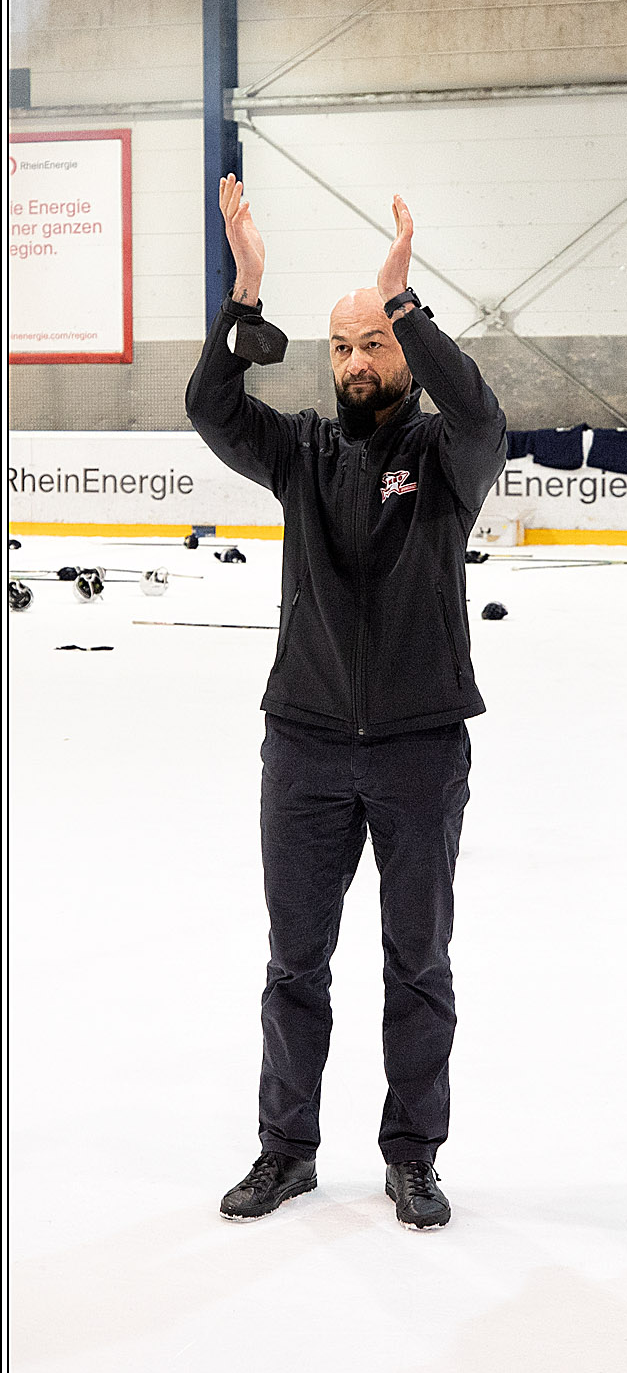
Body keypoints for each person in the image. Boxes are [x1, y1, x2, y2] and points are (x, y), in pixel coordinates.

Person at [185, 175, 506, 1231]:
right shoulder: (304, 453)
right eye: (343, 346)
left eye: (373, 342)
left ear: (402, 351)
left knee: (417, 962)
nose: (357, 361)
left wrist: (403, 296)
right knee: (294, 963)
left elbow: (480, 409)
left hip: (419, 750)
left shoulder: (444, 459)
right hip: (308, 749)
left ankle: (413, 1153)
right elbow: (212, 406)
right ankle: (287, 1148)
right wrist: (246, 293)